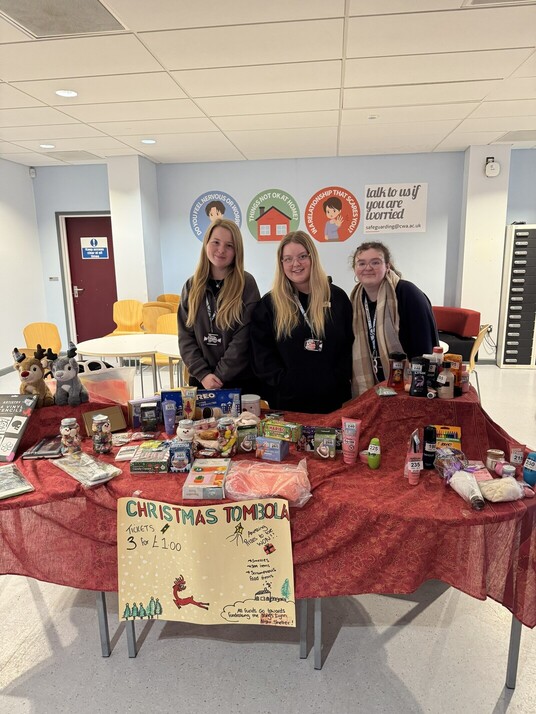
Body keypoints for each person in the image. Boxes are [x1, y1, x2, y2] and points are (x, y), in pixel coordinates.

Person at [250, 231, 353, 413]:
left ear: (312, 258)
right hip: (286, 404)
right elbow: (261, 355)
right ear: (281, 263)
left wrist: (336, 380)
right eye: (288, 259)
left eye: (302, 256)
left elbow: (348, 346)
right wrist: (284, 383)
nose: (295, 264)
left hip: (332, 402)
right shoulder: (270, 304)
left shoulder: (337, 298)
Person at [178, 218, 260, 392]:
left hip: (239, 381)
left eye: (229, 245)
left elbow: (244, 338)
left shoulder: (246, 284)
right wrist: (203, 375)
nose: (221, 250)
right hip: (201, 382)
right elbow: (185, 337)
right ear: (206, 243)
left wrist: (219, 376)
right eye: (216, 242)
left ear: (237, 251)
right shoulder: (191, 286)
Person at [350, 240, 438, 396]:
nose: (368, 268)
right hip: (373, 384)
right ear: (355, 269)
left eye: (375, 262)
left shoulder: (407, 293)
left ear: (387, 266)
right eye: (361, 263)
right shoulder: (355, 300)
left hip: (409, 384)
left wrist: (420, 382)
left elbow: (425, 345)